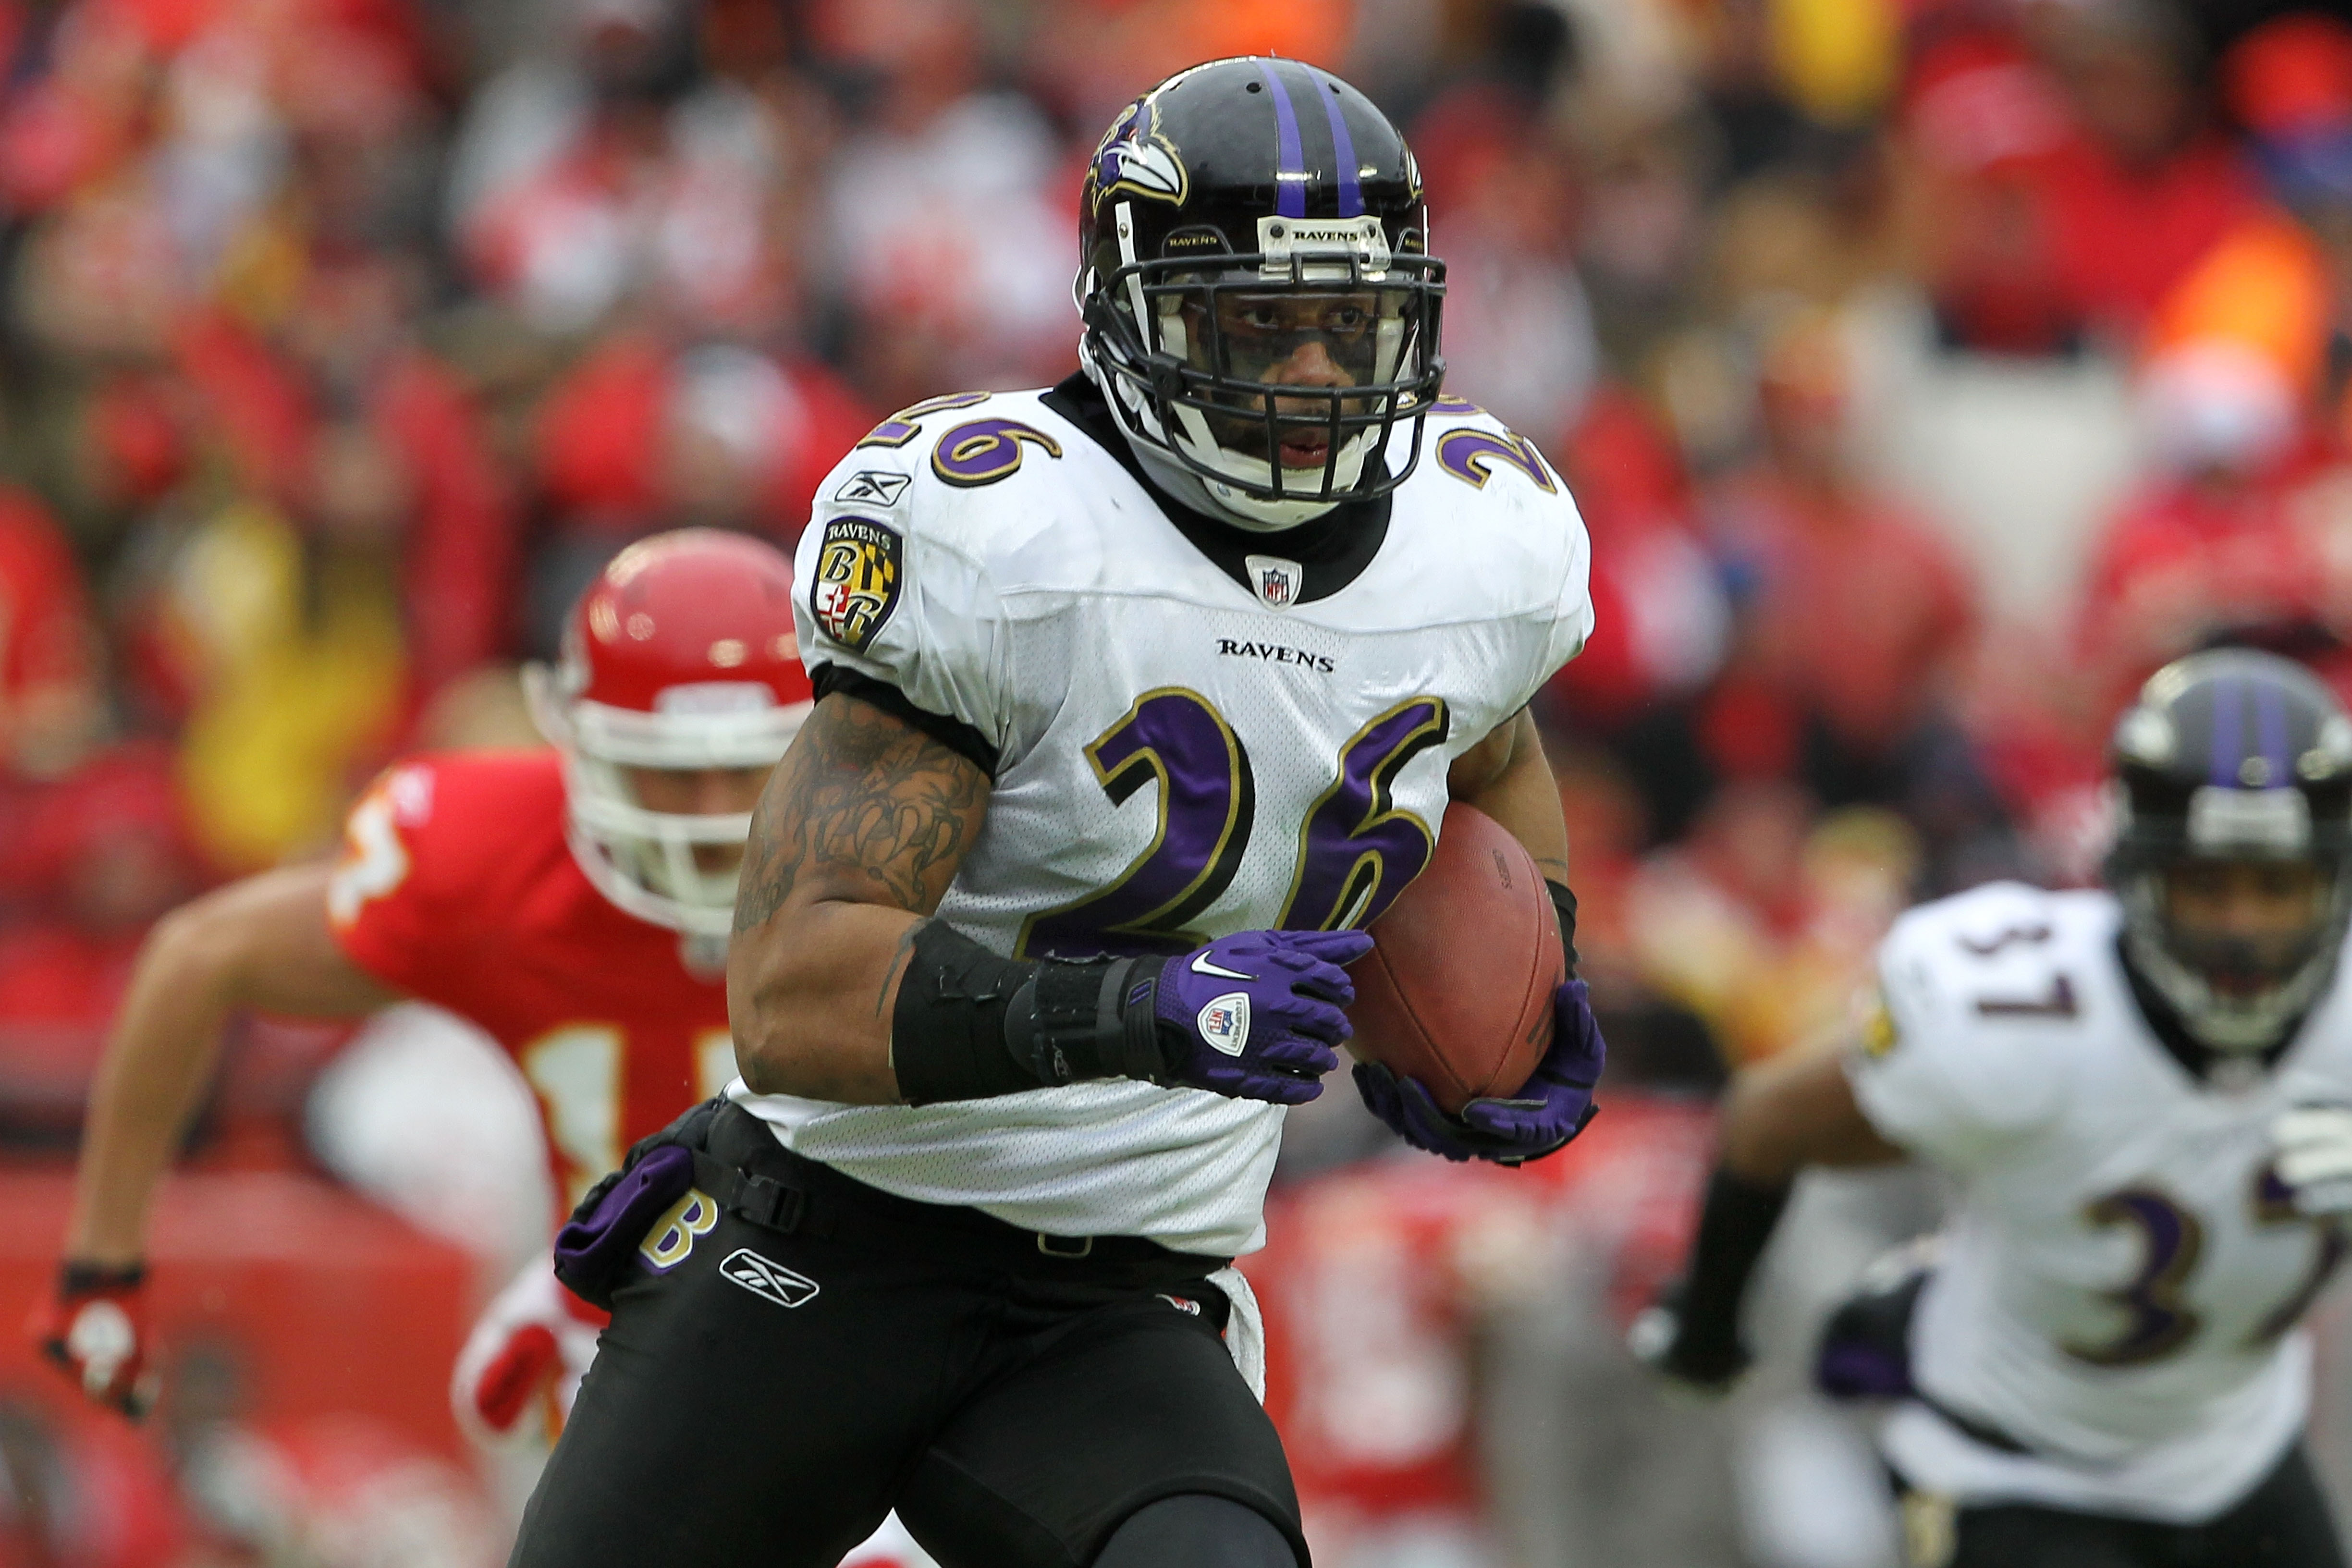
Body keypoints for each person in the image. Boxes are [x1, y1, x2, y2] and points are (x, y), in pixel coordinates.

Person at [510, 55, 1606, 1568]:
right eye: (1260, 324)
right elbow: (794, 990)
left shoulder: (1478, 545)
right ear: (1134, 312)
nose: (1312, 377)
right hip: (829, 1239)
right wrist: (1146, 1012)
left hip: (1117, 1302)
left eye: (1349, 323)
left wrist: (1534, 966)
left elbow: (1488, 749)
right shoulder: (1003, 529)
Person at [33, 531, 828, 1463]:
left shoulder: (919, 862)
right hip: (621, 1344)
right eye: (673, 768)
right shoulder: (492, 863)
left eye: (746, 767)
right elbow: (198, 958)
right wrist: (101, 1265)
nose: (709, 814)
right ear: (580, 743)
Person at [1635, 647, 2352, 1567]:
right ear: (2137, 872)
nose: (2243, 929)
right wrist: (1707, 1322)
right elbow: (1771, 1119)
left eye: (2278, 887)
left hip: (2236, 1450)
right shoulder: (2020, 1022)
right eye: (2208, 884)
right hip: (2013, 1462)